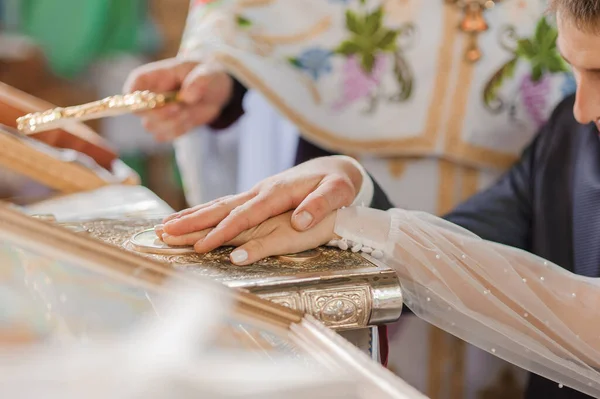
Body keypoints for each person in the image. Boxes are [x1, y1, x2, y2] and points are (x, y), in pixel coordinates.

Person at [152, 1, 600, 397]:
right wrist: (349, 191)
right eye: (574, 69)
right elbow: (468, 252)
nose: (583, 107)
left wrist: (357, 227)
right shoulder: (569, 137)